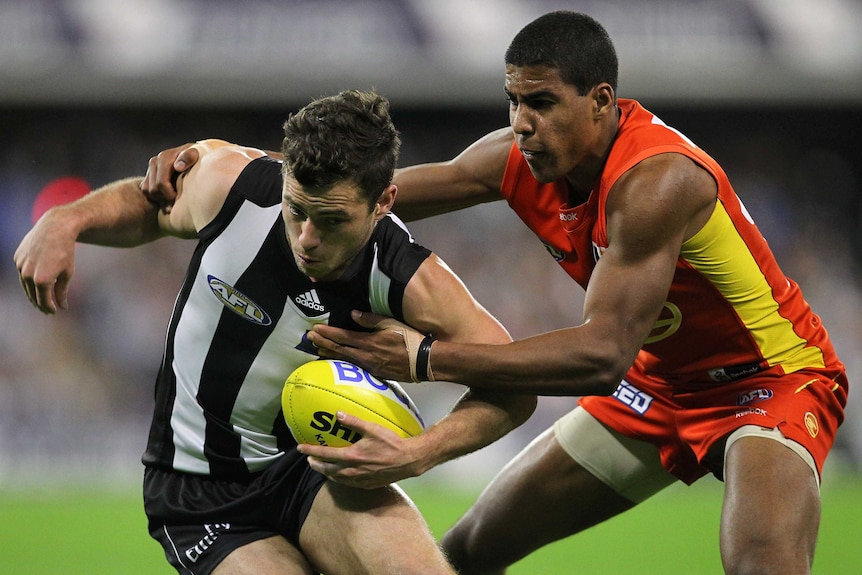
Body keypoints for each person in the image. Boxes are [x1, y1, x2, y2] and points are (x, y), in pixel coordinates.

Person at [140, 13, 848, 575]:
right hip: (657, 389)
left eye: (540, 102)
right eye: (512, 100)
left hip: (768, 381)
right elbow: (359, 197)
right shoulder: (520, 160)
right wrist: (228, 170)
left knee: (761, 565)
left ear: (602, 102)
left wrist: (429, 356)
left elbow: (600, 356)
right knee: (468, 550)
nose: (520, 122)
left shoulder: (656, 182)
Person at [14, 89, 536, 575]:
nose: (306, 238)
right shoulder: (233, 185)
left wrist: (421, 452)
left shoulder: (409, 277)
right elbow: (152, 208)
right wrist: (67, 221)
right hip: (198, 487)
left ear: (384, 202)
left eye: (331, 220)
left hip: (311, 469)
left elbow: (515, 384)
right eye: (296, 210)